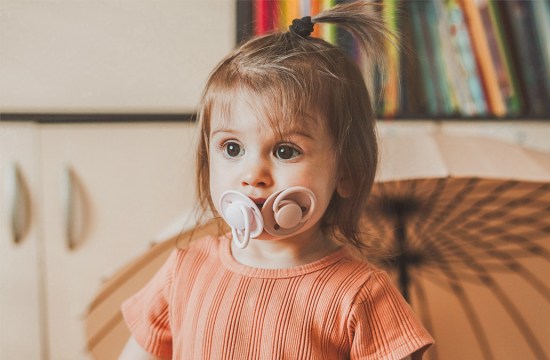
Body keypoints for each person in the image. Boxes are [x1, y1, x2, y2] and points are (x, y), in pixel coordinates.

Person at [119, 2, 434, 359]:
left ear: (346, 171)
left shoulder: (360, 294)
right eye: (232, 147)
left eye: (285, 151)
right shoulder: (185, 270)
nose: (253, 175)